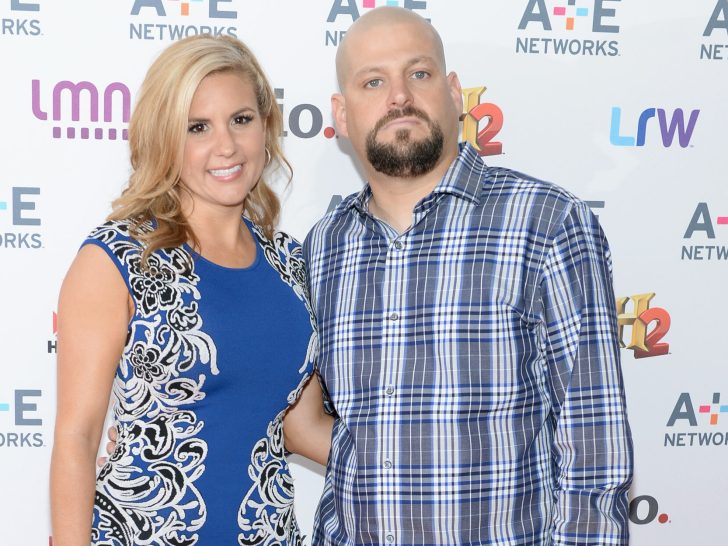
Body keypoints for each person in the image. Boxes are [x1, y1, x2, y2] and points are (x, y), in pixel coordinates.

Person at [301, 6, 634, 545]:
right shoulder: (325, 246)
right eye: (373, 81)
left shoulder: (546, 222)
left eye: (419, 73)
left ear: (455, 92)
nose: (400, 96)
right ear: (341, 113)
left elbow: (593, 446)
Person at [50, 35, 331, 546]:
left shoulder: (291, 264)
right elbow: (78, 436)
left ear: (265, 127)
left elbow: (304, 427)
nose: (226, 145)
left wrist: (417, 457)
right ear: (164, 138)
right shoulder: (118, 259)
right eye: (197, 127)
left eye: (241, 120)